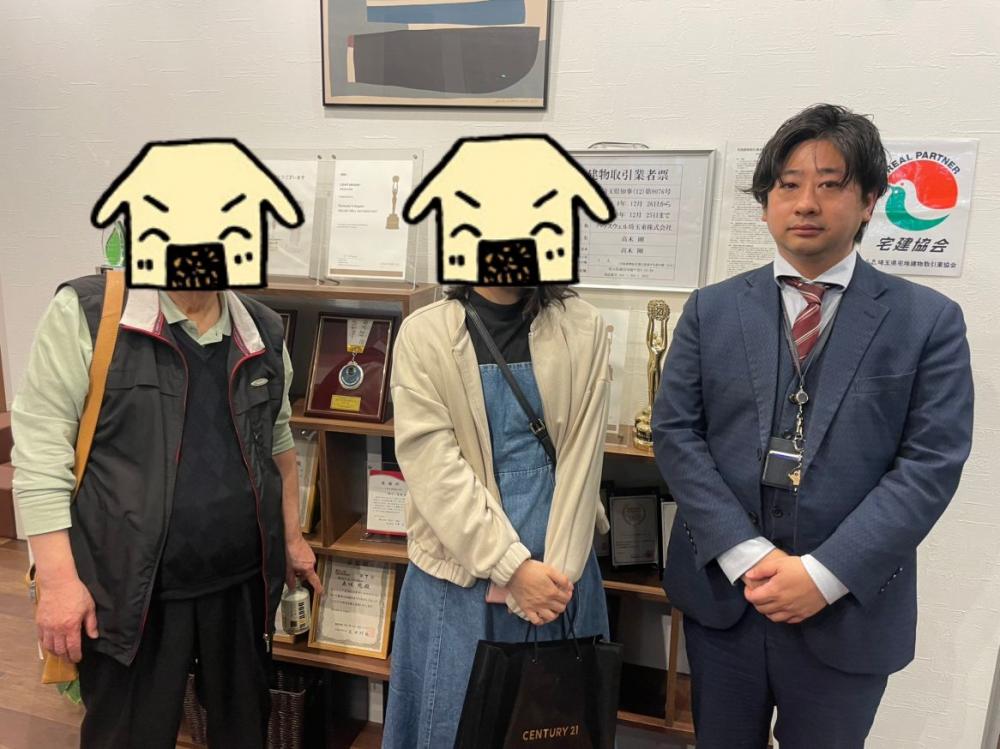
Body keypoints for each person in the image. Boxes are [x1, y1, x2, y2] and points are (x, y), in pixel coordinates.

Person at [652, 103, 973, 748]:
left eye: (830, 185)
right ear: (766, 202)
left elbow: (930, 466)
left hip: (848, 610)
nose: (806, 203)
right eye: (788, 185)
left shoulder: (927, 321)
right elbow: (677, 434)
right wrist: (747, 555)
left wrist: (823, 575)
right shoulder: (711, 310)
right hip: (726, 601)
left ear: (870, 201)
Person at [12, 276, 322, 748]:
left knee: (245, 730)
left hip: (241, 585)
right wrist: (57, 584)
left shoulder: (261, 328)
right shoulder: (91, 313)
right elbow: (40, 456)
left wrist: (293, 539)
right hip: (129, 590)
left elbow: (277, 443)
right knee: (128, 735)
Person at [382, 284, 612, 748]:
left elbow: (583, 460)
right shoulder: (424, 334)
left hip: (560, 577)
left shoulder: (584, 326)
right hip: (458, 572)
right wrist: (512, 568)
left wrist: (555, 579)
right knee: (453, 726)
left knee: (556, 728)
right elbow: (433, 468)